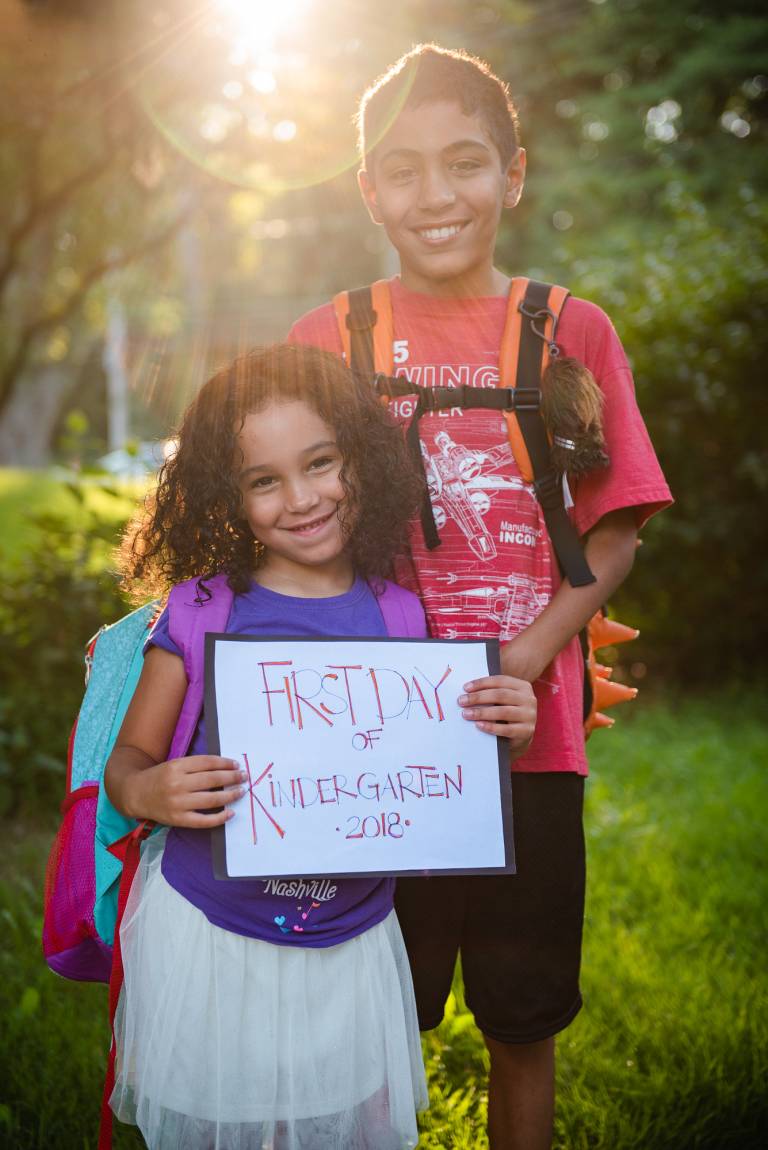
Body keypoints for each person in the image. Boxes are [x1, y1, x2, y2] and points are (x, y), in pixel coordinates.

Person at [287, 45, 673, 1150]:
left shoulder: (568, 331)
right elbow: (283, 530)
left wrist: (527, 657)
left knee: (524, 1018)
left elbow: (614, 527)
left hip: (528, 744)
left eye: (463, 164)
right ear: (368, 188)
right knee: (364, 1023)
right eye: (401, 170)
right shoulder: (332, 338)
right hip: (368, 761)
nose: (434, 194)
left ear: (511, 175)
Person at [103, 342, 536, 1150]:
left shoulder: (402, 616)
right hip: (215, 935)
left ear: (361, 460)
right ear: (225, 497)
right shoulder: (201, 612)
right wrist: (147, 792)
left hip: (352, 942)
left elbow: (433, 761)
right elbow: (127, 763)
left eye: (320, 463)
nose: (300, 499)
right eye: (263, 481)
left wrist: (504, 718)